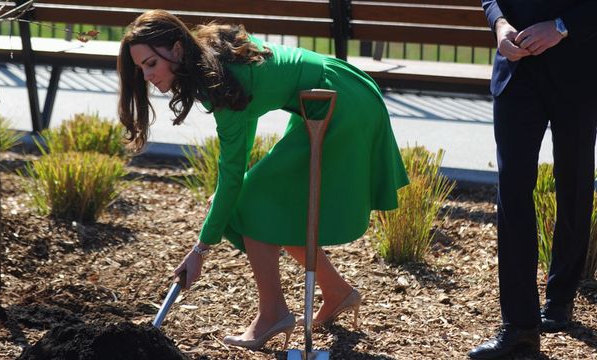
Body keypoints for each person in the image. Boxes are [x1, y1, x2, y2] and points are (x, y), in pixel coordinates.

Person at [117, 9, 408, 351]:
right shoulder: (211, 55)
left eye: (151, 63)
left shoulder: (222, 81)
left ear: (177, 50)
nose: (147, 75)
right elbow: (242, 142)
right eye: (141, 68)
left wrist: (200, 250)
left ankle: (273, 313)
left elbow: (232, 177)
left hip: (338, 105)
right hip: (330, 94)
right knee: (273, 209)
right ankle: (337, 292)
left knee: (252, 201)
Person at [470, 1, 597, 359]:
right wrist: (499, 24)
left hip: (578, 71)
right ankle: (519, 327)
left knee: (574, 185)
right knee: (511, 193)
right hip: (516, 71)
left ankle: (560, 299)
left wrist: (561, 25)